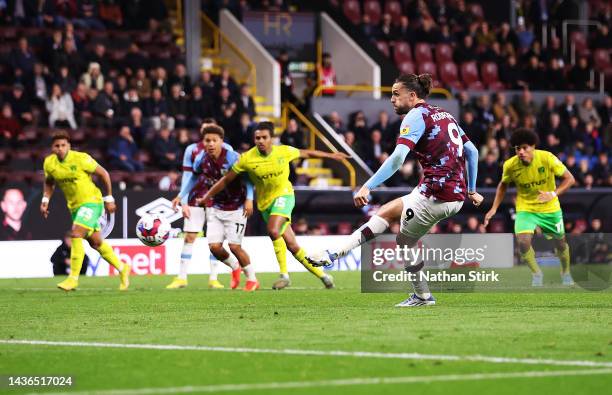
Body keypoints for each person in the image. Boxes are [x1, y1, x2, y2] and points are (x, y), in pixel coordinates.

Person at [307, 74, 484, 307]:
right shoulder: (445, 114)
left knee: (401, 237)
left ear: (412, 96)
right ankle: (336, 254)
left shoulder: (415, 116)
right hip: (453, 194)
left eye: (395, 94)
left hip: (436, 195)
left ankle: (420, 295)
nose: (391, 99)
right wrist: (471, 189)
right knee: (387, 214)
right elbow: (472, 151)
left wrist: (367, 185)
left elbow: (397, 159)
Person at [198, 121, 349, 289]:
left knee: (273, 230)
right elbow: (226, 179)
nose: (260, 141)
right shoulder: (247, 158)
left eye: (264, 137)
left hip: (284, 195)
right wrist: (208, 196)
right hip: (265, 204)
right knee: (292, 246)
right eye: (257, 138)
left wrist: (332, 156)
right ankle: (324, 277)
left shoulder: (283, 151)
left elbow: (307, 153)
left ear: (272, 139)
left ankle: (284, 275)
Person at [168, 124, 259, 291]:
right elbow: (193, 178)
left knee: (234, 246)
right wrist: (181, 196)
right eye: (207, 141)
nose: (210, 144)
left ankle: (252, 279)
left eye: (214, 141)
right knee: (214, 247)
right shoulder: (201, 159)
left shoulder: (232, 157)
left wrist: (249, 199)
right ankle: (235, 267)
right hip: (216, 206)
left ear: (221, 141)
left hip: (237, 206)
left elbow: (247, 178)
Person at [41, 130, 131, 291]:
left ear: (69, 146)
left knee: (75, 234)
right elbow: (49, 182)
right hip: (74, 207)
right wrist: (45, 200)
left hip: (92, 203)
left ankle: (73, 279)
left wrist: (109, 198)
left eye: (63, 145)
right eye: (57, 146)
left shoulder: (81, 158)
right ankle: (122, 268)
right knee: (96, 243)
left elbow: (104, 173)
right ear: (52, 148)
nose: (60, 148)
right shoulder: (49, 163)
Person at [484, 128, 575, 286]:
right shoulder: (510, 165)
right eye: (518, 148)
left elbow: (570, 179)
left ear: (533, 146)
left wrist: (552, 194)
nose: (521, 151)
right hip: (526, 209)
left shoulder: (547, 158)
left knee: (561, 243)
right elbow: (503, 185)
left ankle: (565, 271)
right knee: (523, 241)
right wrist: (494, 208)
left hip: (550, 208)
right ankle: (536, 273)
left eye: (525, 147)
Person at [170, 120, 234, 289]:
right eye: (205, 129)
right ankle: (181, 278)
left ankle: (213, 278)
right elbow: (187, 176)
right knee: (190, 236)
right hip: (196, 197)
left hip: (217, 200)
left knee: (216, 240)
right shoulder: (192, 150)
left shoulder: (227, 150)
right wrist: (183, 201)